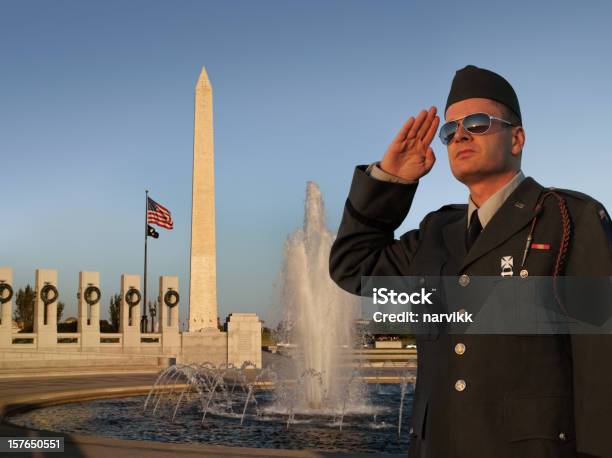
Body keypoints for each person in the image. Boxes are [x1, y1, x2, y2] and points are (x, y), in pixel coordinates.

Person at [329, 65, 612, 458]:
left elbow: (601, 369)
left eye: (477, 123)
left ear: (516, 139)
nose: (459, 134)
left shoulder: (568, 220)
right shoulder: (434, 233)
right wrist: (389, 181)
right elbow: (352, 268)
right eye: (449, 130)